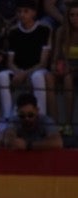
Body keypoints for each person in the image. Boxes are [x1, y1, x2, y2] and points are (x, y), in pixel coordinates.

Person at [0, 0, 54, 119]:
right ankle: (8, 117)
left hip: (37, 69)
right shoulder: (13, 31)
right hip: (18, 69)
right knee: (2, 75)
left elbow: (43, 62)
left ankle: (41, 116)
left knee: (37, 76)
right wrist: (19, 73)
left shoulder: (45, 29)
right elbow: (10, 62)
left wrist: (25, 74)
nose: (22, 14)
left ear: (33, 13)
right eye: (19, 11)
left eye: (25, 11)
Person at [50, 0, 78, 135]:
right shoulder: (61, 31)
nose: (75, 19)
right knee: (58, 78)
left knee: (68, 77)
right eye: (72, 15)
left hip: (75, 68)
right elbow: (56, 55)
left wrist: (71, 69)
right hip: (66, 66)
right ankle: (61, 124)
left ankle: (69, 123)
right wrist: (55, 66)